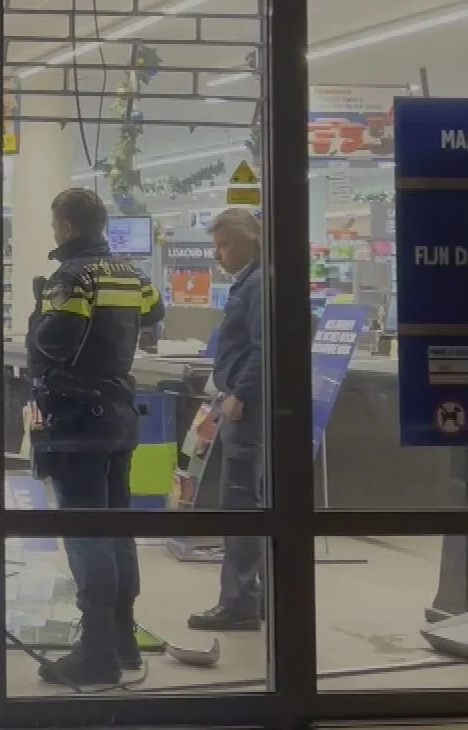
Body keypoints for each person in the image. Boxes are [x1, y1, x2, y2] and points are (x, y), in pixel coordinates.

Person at [28, 188, 163, 689]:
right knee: (115, 527)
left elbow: (55, 341)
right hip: (119, 413)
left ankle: (97, 653)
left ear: (66, 226)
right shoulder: (130, 272)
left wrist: (40, 314)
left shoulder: (72, 276)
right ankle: (123, 640)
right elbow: (154, 313)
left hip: (78, 419)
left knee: (87, 534)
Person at [189, 208, 266, 633]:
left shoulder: (256, 285)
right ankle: (257, 597)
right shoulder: (251, 282)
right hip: (245, 404)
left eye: (224, 245)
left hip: (247, 410)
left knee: (240, 505)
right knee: (251, 501)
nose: (218, 255)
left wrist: (241, 393)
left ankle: (238, 603)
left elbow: (263, 346)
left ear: (250, 240)